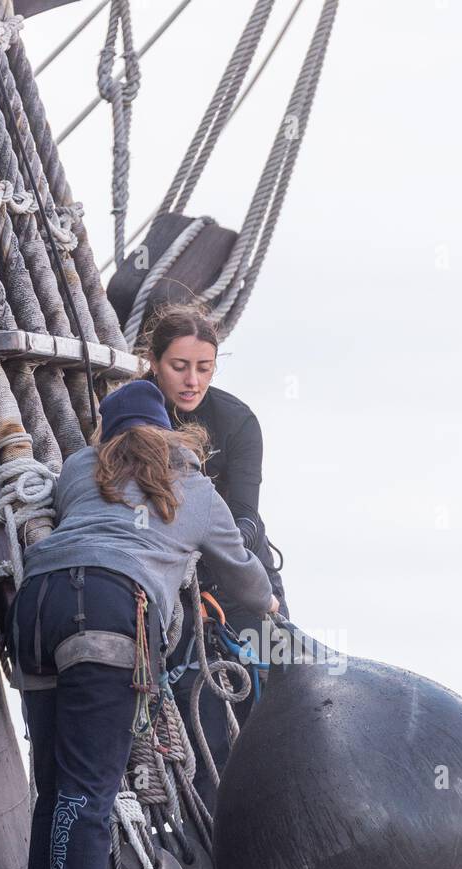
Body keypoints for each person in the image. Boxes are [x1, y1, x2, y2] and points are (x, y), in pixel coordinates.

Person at [4, 379, 278, 869]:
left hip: (35, 606)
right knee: (90, 787)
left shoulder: (78, 469)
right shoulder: (198, 491)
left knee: (53, 784)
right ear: (171, 432)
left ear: (105, 430)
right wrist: (268, 607)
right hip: (107, 611)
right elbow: (244, 579)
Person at [141, 302, 287, 804]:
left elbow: (246, 512)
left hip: (242, 581)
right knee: (199, 722)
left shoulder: (237, 421)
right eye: (179, 367)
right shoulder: (134, 415)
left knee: (276, 704)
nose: (192, 380)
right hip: (170, 589)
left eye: (204, 368)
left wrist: (216, 548)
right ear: (154, 361)